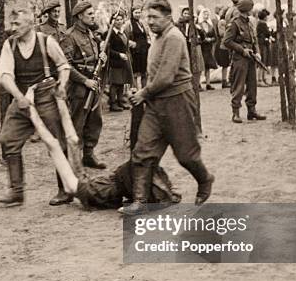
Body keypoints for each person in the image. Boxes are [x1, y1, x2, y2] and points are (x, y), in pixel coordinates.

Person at [122, 0, 215, 216]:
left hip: (178, 102)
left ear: (168, 17)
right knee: (143, 151)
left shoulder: (174, 37)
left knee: (185, 154)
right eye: (148, 17)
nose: (150, 21)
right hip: (156, 103)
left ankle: (205, 179)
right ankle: (141, 201)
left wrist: (143, 93)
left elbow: (165, 77)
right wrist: (143, 92)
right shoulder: (158, 36)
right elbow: (154, 74)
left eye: (155, 17)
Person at [21, 85, 181, 210]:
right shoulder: (80, 186)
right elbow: (58, 143)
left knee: (62, 144)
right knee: (69, 141)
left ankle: (43, 106)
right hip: (125, 182)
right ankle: (138, 107)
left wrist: (33, 109)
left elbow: (57, 144)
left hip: (116, 184)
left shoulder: (77, 186)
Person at [0, 6, 72, 207]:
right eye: (12, 24)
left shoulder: (46, 41)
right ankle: (16, 190)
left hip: (46, 95)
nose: (13, 28)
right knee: (8, 139)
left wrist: (62, 85)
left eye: (17, 24)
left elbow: (64, 66)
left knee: (56, 143)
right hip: (22, 97)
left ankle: (65, 189)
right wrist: (19, 97)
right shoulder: (9, 45)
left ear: (31, 24)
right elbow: (4, 75)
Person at [60, 1, 107, 169]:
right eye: (90, 14)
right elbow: (66, 65)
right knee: (77, 123)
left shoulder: (90, 33)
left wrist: (102, 58)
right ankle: (73, 160)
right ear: (80, 16)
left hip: (94, 83)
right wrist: (84, 81)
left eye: (93, 13)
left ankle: (88, 155)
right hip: (79, 86)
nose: (93, 16)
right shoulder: (69, 36)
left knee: (94, 121)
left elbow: (93, 57)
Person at [223, 0, 266, 123]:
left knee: (252, 86)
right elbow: (227, 41)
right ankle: (235, 113)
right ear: (246, 9)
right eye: (251, 8)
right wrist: (242, 50)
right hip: (239, 59)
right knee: (239, 86)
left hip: (251, 58)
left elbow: (254, 40)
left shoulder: (250, 23)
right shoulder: (234, 23)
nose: (252, 11)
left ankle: (251, 111)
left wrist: (258, 53)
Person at [105, 11, 134, 111]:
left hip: (123, 61)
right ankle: (113, 103)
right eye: (116, 20)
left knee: (122, 82)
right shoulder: (109, 34)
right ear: (112, 21)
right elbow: (107, 50)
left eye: (120, 19)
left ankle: (120, 101)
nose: (119, 21)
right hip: (114, 62)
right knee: (115, 83)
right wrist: (119, 55)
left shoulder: (123, 32)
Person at [177, 7, 205, 92]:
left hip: (193, 47)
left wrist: (198, 33)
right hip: (183, 48)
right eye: (185, 13)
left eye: (188, 14)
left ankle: (196, 83)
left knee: (196, 66)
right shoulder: (178, 24)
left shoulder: (195, 25)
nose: (186, 15)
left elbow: (202, 37)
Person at [124, 7, 150, 90]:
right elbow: (125, 38)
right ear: (132, 13)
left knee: (144, 72)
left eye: (139, 12)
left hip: (144, 51)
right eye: (136, 12)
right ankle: (135, 91)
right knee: (135, 73)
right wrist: (132, 44)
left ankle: (144, 90)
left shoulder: (142, 23)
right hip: (135, 52)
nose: (138, 14)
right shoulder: (128, 24)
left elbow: (146, 35)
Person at [198, 8, 218, 90]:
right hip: (201, 47)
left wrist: (211, 39)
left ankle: (208, 83)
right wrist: (203, 40)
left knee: (208, 66)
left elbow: (215, 37)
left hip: (208, 48)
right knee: (200, 65)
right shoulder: (198, 25)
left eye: (207, 14)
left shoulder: (210, 25)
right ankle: (198, 83)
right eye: (204, 14)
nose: (206, 16)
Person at [214, 7, 231, 88]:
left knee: (227, 64)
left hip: (227, 45)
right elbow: (222, 33)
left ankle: (226, 80)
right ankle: (224, 81)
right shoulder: (222, 22)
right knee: (225, 64)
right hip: (223, 45)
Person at [256, 9, 272, 86]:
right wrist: (270, 31)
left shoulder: (259, 23)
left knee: (264, 61)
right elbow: (268, 33)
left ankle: (263, 78)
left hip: (262, 43)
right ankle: (260, 79)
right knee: (262, 61)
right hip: (262, 44)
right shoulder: (262, 24)